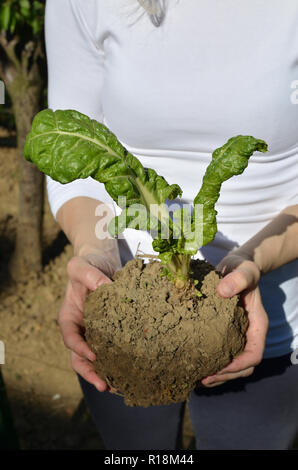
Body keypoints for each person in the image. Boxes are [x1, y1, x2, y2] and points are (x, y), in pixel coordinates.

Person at [44, 0, 298, 450]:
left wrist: (253, 260)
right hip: (125, 310)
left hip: (271, 322)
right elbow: (67, 140)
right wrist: (93, 248)